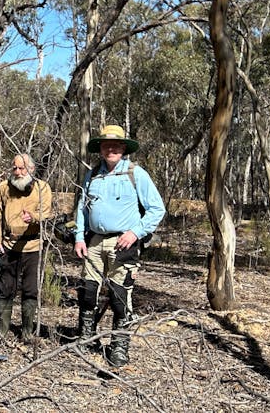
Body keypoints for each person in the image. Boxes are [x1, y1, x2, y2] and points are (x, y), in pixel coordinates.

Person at [73, 125, 165, 367]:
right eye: (106, 145)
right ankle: (86, 337)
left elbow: (157, 209)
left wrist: (135, 232)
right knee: (87, 291)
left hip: (123, 244)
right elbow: (82, 208)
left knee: (119, 296)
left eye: (115, 145)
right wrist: (79, 237)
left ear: (123, 148)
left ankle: (119, 346)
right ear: (100, 149)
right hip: (93, 241)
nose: (110, 148)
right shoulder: (93, 175)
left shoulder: (137, 174)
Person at [0, 153, 52, 345]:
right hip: (9, 245)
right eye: (15, 168)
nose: (17, 172)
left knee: (30, 289)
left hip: (33, 246)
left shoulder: (42, 188)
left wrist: (33, 217)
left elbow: (47, 213)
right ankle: (2, 331)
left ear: (31, 170)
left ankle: (27, 332)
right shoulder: (4, 188)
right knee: (6, 288)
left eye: (22, 168)